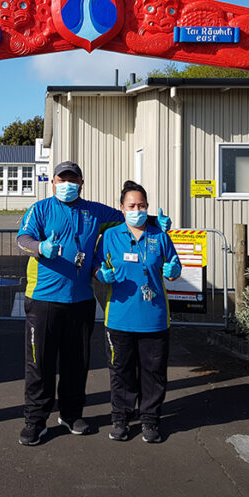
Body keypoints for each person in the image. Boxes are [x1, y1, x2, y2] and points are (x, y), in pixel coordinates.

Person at [15, 162, 170, 446]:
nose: (67, 184)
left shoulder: (95, 211)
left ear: (81, 183)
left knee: (77, 363)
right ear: (53, 182)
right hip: (43, 300)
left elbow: (129, 217)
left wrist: (153, 224)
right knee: (40, 364)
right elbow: (22, 240)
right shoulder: (40, 209)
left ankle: (71, 414)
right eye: (63, 179)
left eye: (73, 179)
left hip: (81, 300)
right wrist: (40, 248)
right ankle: (35, 421)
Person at [94, 181, 181, 443]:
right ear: (122, 208)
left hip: (154, 318)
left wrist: (174, 271)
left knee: (153, 372)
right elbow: (98, 268)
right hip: (120, 317)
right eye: (131, 205)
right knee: (121, 371)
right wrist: (102, 274)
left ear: (147, 207)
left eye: (141, 205)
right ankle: (120, 418)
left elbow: (174, 266)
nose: (137, 210)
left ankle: (150, 420)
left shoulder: (160, 236)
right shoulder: (110, 236)